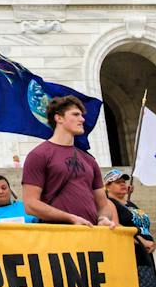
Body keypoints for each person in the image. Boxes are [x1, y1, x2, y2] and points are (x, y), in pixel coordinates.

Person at [21, 96, 118, 227]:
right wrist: (70, 218)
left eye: (82, 115)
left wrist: (103, 219)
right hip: (58, 236)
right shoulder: (38, 155)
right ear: (59, 118)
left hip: (91, 234)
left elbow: (103, 204)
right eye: (76, 114)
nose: (82, 119)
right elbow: (30, 205)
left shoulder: (89, 160)